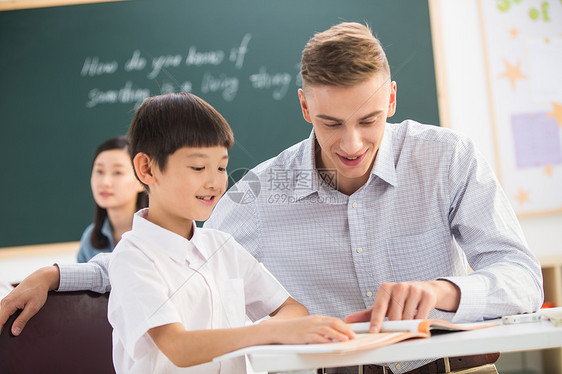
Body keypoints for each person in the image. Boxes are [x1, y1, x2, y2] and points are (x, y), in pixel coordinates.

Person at [0, 22, 542, 374]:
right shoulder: (260, 191)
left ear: (393, 98)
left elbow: (521, 278)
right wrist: (57, 274)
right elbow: (168, 256)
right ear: (305, 107)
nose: (352, 144)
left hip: (453, 367)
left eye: (370, 120)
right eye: (331, 123)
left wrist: (444, 290)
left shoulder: (448, 158)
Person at [107, 92, 355, 373]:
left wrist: (279, 328)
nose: (214, 181)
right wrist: (269, 333)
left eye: (222, 166)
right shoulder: (133, 258)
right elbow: (178, 347)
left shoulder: (222, 246)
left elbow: (293, 309)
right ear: (147, 169)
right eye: (198, 167)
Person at [77, 136, 148, 263]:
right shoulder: (90, 238)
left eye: (117, 172)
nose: (105, 182)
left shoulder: (156, 234)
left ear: (141, 181)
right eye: (99, 171)